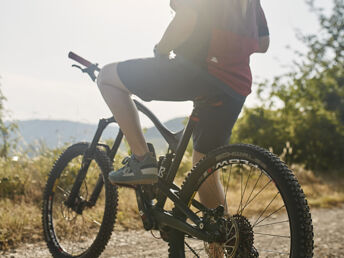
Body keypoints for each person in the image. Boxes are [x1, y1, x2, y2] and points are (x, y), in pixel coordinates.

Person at [97, 0, 269, 209]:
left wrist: (161, 50)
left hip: (198, 71)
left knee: (106, 77)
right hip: (234, 86)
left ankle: (142, 160)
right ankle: (225, 239)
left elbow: (187, 18)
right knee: (203, 169)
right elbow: (263, 43)